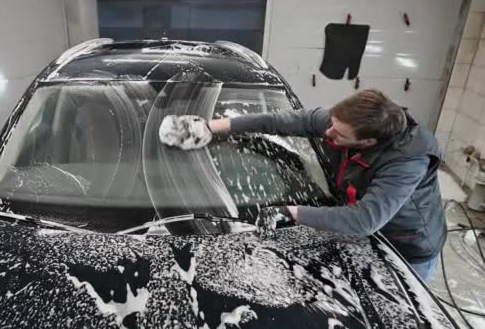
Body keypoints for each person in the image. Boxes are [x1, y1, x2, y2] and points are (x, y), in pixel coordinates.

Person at [159, 89, 446, 283]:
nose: (328, 132)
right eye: (331, 123)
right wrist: (211, 126)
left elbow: (365, 219)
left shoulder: (407, 161)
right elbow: (278, 120)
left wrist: (292, 211)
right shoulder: (346, 124)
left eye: (338, 133)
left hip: (406, 244)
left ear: (368, 142)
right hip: (351, 227)